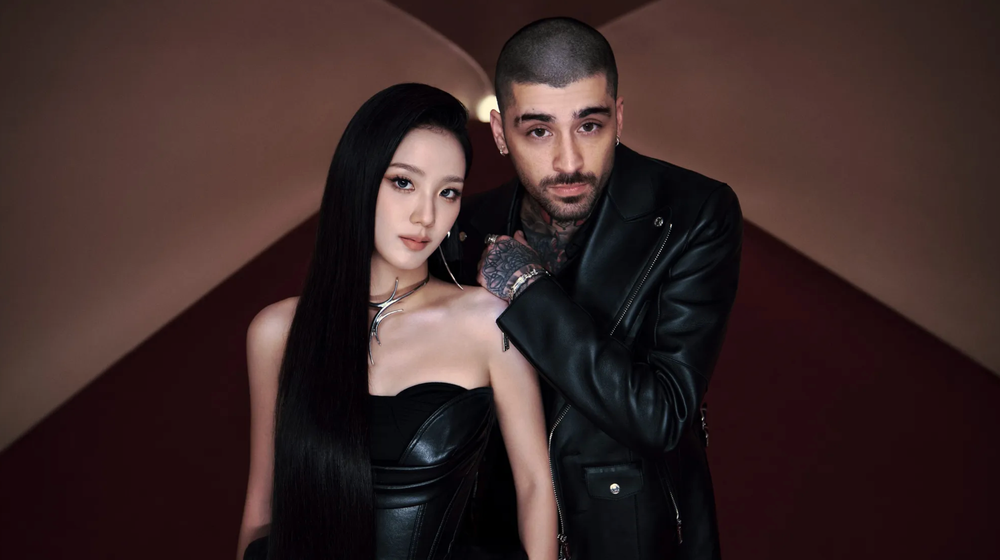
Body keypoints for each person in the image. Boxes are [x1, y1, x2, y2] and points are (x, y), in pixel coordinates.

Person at [458, 18, 742, 560]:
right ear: (499, 132)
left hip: (637, 537)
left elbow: (661, 416)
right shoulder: (466, 227)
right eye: (538, 131)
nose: (568, 162)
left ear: (618, 117)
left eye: (588, 125)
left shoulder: (693, 213)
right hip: (502, 538)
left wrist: (526, 287)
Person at [237, 83, 557, 560]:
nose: (426, 215)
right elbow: (263, 506)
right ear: (360, 180)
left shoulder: (487, 323)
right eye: (403, 182)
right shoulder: (276, 333)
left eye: (448, 192)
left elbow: (535, 488)